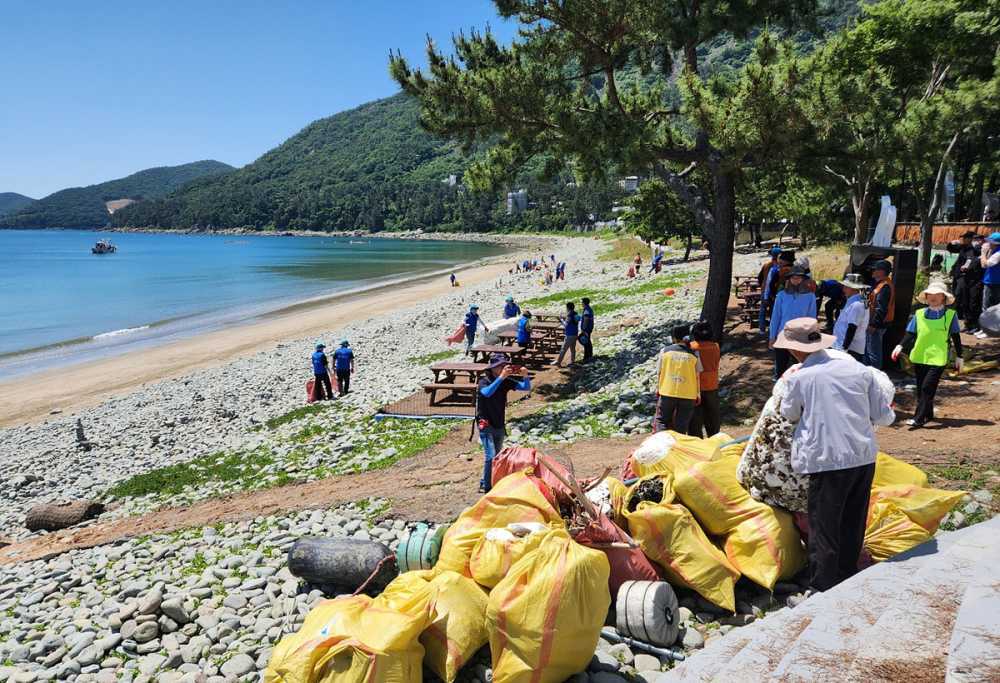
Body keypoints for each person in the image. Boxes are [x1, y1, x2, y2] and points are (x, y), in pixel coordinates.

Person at [776, 318, 895, 603]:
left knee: (824, 526)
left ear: (794, 350)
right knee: (853, 520)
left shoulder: (799, 378)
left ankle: (822, 589)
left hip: (826, 459)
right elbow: (883, 416)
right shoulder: (859, 369)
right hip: (862, 457)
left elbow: (789, 414)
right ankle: (847, 576)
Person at [891, 282, 963, 428]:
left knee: (926, 387)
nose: (933, 297)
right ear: (926, 296)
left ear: (943, 297)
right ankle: (928, 414)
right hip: (920, 356)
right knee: (921, 388)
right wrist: (900, 345)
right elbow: (911, 333)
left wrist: (959, 356)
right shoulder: (919, 314)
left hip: (938, 358)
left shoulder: (951, 315)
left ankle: (918, 418)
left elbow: (956, 336)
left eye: (937, 294)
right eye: (930, 294)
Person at [476, 353, 531, 492]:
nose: (503, 367)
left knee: (497, 456)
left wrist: (525, 375)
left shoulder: (505, 381)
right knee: (490, 455)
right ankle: (488, 487)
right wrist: (501, 377)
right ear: (493, 368)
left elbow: (525, 387)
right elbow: (486, 393)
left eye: (505, 365)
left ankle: (486, 480)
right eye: (500, 365)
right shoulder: (484, 381)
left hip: (499, 422)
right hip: (485, 422)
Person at [769, 265, 817, 379]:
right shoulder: (781, 295)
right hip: (783, 335)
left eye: (798, 278)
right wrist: (772, 337)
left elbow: (812, 318)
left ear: (803, 279)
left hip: (801, 337)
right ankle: (780, 388)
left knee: (799, 368)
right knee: (780, 368)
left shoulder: (810, 296)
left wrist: (812, 338)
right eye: (793, 278)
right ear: (789, 279)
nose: (795, 280)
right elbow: (776, 317)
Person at [653, 324, 702, 433]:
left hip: (668, 391)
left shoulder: (665, 351)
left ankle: (663, 442)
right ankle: (679, 443)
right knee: (682, 425)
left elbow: (659, 372)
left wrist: (658, 388)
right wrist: (698, 393)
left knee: (662, 421)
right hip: (688, 393)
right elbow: (697, 375)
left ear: (674, 338)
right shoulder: (694, 353)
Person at [688, 321, 721, 437]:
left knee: (695, 421)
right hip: (712, 385)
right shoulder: (716, 347)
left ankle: (697, 442)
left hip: (695, 386)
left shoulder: (691, 347)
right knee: (713, 418)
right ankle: (715, 440)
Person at [865, 260, 895, 369]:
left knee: (873, 353)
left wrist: (874, 325)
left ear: (882, 271)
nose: (872, 271)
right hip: (876, 323)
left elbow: (881, 309)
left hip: (877, 325)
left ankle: (875, 375)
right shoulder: (880, 284)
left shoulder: (885, 286)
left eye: (875, 269)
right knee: (870, 351)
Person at [832, 274, 870, 361]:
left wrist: (844, 348)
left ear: (854, 289)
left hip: (850, 348)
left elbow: (852, 328)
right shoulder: (856, 301)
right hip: (846, 346)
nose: (843, 289)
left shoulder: (857, 304)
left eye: (846, 287)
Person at [757, 246, 783, 334]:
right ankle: (773, 328)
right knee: (773, 310)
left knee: (763, 310)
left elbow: (759, 278)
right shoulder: (780, 267)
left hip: (764, 290)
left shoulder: (766, 265)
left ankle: (762, 329)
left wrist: (762, 285)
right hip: (774, 292)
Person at [980, 232, 1000, 331]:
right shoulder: (995, 251)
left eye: (990, 242)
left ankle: (987, 330)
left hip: (992, 282)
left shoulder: (998, 254)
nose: (988, 244)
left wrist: (983, 253)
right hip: (994, 281)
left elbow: (984, 264)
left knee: (987, 306)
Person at [553, 302, 580, 367]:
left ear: (568, 308)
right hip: (575, 333)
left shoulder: (569, 315)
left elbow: (566, 325)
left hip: (569, 334)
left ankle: (558, 362)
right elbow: (575, 321)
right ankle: (572, 362)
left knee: (563, 349)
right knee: (572, 349)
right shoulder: (576, 314)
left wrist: (561, 319)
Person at [580, 297, 595, 362]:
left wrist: (583, 329)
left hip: (587, 329)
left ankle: (587, 357)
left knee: (586, 343)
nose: (581, 303)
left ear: (584, 303)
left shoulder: (587, 310)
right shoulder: (589, 309)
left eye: (582, 302)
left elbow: (586, 320)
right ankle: (589, 355)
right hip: (589, 328)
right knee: (588, 341)